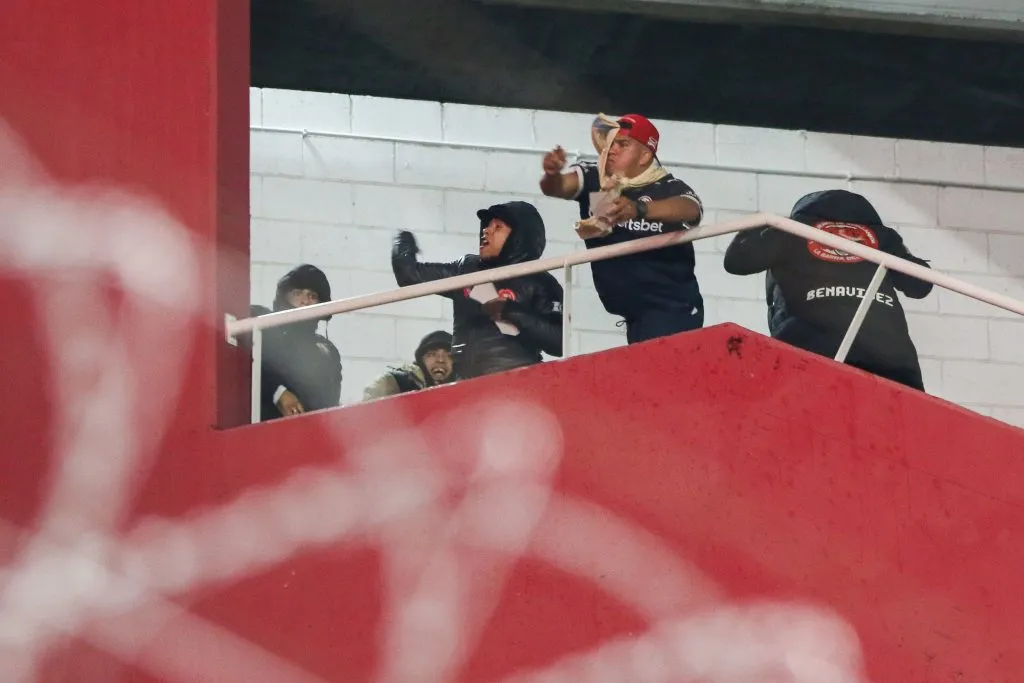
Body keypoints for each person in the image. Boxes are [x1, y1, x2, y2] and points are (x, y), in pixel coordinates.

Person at [723, 189, 932, 391]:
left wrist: (758, 224)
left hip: (806, 351)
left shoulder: (791, 229)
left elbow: (737, 261)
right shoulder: (884, 238)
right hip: (891, 363)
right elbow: (920, 285)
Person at [540, 113, 705, 344]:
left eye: (623, 144)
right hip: (633, 314)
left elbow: (691, 210)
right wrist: (551, 174)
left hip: (672, 310)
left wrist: (639, 209)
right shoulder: (596, 179)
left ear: (645, 155)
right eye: (610, 143)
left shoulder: (668, 186)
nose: (613, 150)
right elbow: (557, 188)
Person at [391, 200, 562, 379]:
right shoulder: (468, 269)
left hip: (517, 384)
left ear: (519, 236)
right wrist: (403, 239)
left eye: (498, 227)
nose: (486, 231)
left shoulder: (540, 280)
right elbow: (409, 275)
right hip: (465, 386)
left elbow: (559, 342)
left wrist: (511, 311)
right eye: (487, 226)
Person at [253, 264, 342, 419]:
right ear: (285, 296)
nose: (305, 301)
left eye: (312, 296)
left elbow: (329, 404)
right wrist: (278, 392)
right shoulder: (262, 323)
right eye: (298, 293)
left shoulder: (326, 351)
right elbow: (241, 363)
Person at [362, 330, 455, 401]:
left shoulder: (461, 394)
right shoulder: (394, 383)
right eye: (432, 354)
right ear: (421, 360)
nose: (441, 360)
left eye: (449, 355)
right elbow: (367, 419)